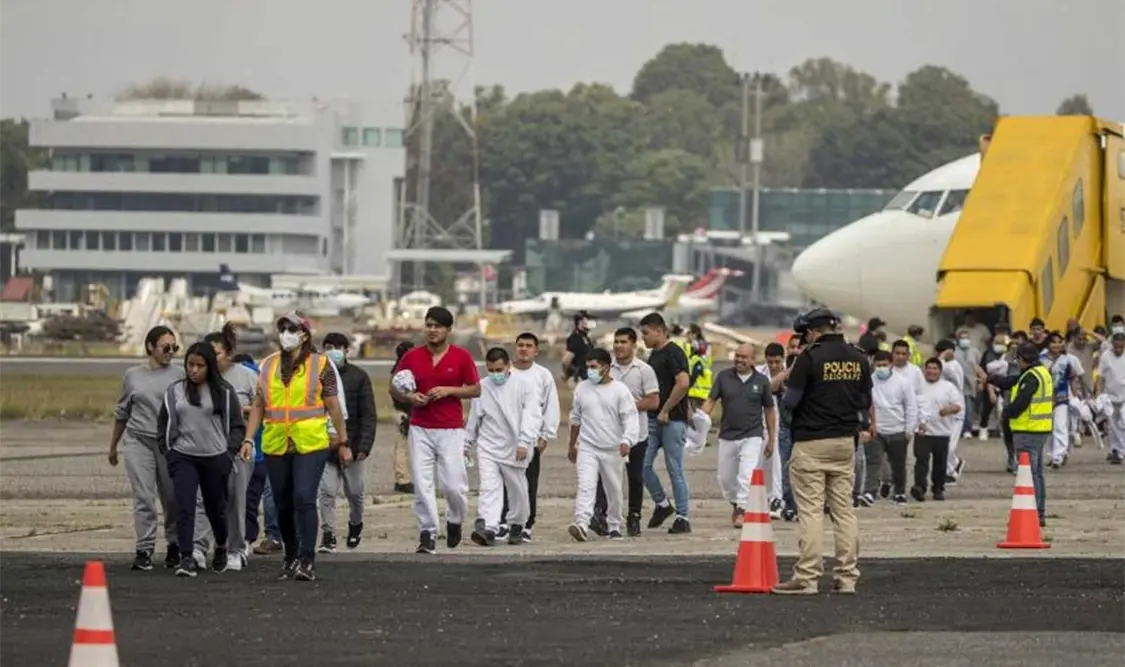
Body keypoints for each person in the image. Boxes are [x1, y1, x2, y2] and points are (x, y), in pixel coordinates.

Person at [243, 311, 350, 582]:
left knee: (303, 496)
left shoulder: (320, 365)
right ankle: (290, 557)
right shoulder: (267, 365)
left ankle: (307, 558)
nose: (286, 334)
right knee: (282, 502)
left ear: (304, 334)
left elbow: (334, 406)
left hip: (310, 442)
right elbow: (259, 405)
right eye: (282, 328)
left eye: (292, 328)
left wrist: (343, 441)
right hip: (277, 442)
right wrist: (248, 438)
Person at [772, 308, 870, 596]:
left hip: (812, 442)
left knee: (811, 512)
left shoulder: (809, 357)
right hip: (845, 443)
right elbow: (865, 401)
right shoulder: (857, 357)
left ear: (812, 332)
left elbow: (790, 402)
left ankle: (807, 577)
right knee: (844, 512)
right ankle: (847, 577)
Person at [389, 306, 480, 555]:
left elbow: (475, 389)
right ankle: (427, 532)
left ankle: (454, 519)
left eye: (437, 326)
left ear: (448, 330)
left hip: (451, 429)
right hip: (420, 427)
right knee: (422, 483)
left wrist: (449, 390)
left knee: (454, 485)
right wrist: (410, 396)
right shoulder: (412, 357)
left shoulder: (461, 357)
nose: (432, 330)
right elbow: (395, 387)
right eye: (429, 325)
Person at [158, 342, 249, 577]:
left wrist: (229, 454)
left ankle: (220, 544)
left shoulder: (225, 392)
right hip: (183, 456)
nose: (194, 370)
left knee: (215, 508)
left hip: (215, 457)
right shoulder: (175, 390)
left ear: (210, 367)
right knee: (185, 505)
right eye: (190, 365)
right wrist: (169, 451)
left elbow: (238, 426)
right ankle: (186, 558)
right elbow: (164, 423)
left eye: (200, 366)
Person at [109, 325, 185, 571]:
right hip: (138, 440)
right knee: (144, 498)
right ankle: (144, 549)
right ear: (151, 346)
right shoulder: (133, 375)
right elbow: (122, 412)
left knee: (172, 498)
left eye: (174, 347)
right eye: (165, 346)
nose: (170, 351)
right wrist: (112, 446)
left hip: (169, 444)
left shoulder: (181, 374)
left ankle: (174, 544)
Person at [195, 324, 259, 571]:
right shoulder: (199, 378)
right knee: (201, 499)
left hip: (236, 448)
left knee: (234, 499)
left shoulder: (246, 376)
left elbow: (263, 407)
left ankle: (236, 549)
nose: (212, 359)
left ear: (228, 352)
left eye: (217, 353)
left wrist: (243, 419)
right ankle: (198, 547)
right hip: (204, 448)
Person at [466, 347, 543, 546]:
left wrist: (525, 441)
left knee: (517, 488)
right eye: (491, 370)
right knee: (489, 486)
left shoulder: (525, 386)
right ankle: (488, 526)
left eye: (499, 369)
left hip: (516, 447)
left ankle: (517, 524)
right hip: (488, 446)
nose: (495, 374)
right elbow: (475, 418)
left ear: (508, 365)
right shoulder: (482, 387)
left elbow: (532, 415)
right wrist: (466, 443)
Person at [591, 327, 659, 537]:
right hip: (609, 434)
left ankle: (634, 516)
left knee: (635, 477)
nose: (619, 346)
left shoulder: (644, 370)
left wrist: (625, 408)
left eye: (623, 342)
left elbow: (653, 400)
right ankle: (601, 514)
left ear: (633, 345)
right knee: (606, 476)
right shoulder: (607, 368)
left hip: (637, 433)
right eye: (616, 342)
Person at [566, 348, 639, 541]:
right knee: (586, 485)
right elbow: (575, 419)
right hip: (588, 447)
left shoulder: (620, 391)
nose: (589, 371)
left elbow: (630, 418)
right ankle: (582, 523)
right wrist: (572, 444)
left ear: (606, 368)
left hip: (613, 448)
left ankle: (614, 525)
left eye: (593, 367)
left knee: (614, 489)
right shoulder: (582, 388)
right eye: (587, 366)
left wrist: (627, 440)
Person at [702, 343, 776, 528]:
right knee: (725, 478)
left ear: (752, 360)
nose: (739, 360)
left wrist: (771, 438)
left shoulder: (761, 381)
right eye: (737, 356)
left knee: (746, 474)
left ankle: (743, 510)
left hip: (752, 435)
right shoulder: (723, 377)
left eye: (744, 357)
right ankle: (736, 503)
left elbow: (769, 410)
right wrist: (701, 419)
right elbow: (711, 401)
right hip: (727, 435)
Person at [318, 333, 377, 552]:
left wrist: (363, 446)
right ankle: (328, 535)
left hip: (353, 446)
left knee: (355, 491)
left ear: (346, 350)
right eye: (328, 346)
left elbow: (368, 414)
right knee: (326, 492)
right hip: (325, 446)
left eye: (337, 347)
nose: (332, 351)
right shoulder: (317, 376)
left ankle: (355, 523)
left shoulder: (359, 377)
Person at [499, 332, 560, 542]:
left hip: (530, 438)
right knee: (504, 482)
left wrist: (546, 434)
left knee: (528, 482)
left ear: (536, 350)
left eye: (528, 346)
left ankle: (527, 523)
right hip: (504, 437)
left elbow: (551, 406)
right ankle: (504, 521)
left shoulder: (542, 375)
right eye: (520, 345)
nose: (524, 349)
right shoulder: (506, 373)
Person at [638, 312, 693, 534]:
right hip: (653, 420)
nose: (643, 338)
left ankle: (683, 516)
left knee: (674, 468)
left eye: (646, 333)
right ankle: (662, 504)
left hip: (672, 420)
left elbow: (683, 383)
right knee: (642, 465)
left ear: (659, 331)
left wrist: (666, 409)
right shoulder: (655, 355)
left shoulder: (674, 353)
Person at [993, 342, 1053, 526]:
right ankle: (1039, 512)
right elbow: (1012, 381)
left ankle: (1033, 513)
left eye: (1017, 358)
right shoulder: (1039, 372)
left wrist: (1006, 412)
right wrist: (991, 379)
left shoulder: (1031, 377)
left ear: (1022, 359)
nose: (1016, 362)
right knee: (1037, 473)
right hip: (1039, 429)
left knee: (1029, 474)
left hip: (1028, 429)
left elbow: (1021, 403)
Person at [233, 352, 281, 556]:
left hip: (253, 448)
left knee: (242, 497)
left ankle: (246, 538)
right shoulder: (261, 374)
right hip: (263, 448)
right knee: (257, 497)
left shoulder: (251, 377)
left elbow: (262, 407)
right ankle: (257, 537)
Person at [860, 350, 917, 507]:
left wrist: (909, 429)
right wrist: (867, 426)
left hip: (898, 430)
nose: (881, 368)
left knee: (898, 464)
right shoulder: (869, 382)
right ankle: (870, 492)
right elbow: (865, 405)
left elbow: (911, 406)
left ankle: (899, 493)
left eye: (884, 365)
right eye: (878, 365)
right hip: (876, 430)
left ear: (891, 365)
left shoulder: (903, 382)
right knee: (873, 462)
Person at [911, 358, 963, 502]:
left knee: (940, 463)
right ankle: (920, 487)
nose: (931, 371)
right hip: (922, 431)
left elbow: (958, 406)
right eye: (929, 368)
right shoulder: (918, 386)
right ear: (924, 370)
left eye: (935, 368)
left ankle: (938, 488)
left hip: (942, 432)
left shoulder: (948, 387)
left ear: (940, 371)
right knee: (921, 460)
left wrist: (949, 409)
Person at [1040, 331, 1085, 468]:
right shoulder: (1040, 359)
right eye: (1054, 342)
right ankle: (1050, 454)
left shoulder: (1066, 360)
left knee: (1060, 426)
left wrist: (1076, 393)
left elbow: (1072, 377)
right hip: (1044, 398)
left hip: (1062, 397)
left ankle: (1058, 457)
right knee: (1047, 429)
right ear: (1048, 343)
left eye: (1059, 342)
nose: (1057, 345)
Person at [388, 341, 415, 494]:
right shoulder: (401, 372)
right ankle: (402, 480)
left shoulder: (400, 369)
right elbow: (398, 394)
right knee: (402, 447)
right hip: (404, 413)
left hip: (406, 412)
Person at [1096, 333, 1125, 465]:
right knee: (1112, 426)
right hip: (1110, 395)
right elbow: (1100, 376)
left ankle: (1121, 450)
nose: (1118, 350)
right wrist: (1098, 394)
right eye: (1116, 347)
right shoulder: (1106, 356)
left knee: (1123, 423)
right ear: (1112, 344)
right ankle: (1116, 450)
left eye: (1121, 347)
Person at [562, 311, 595, 385]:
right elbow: (566, 360)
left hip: (588, 377)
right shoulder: (575, 338)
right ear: (580, 322)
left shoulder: (586, 337)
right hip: (579, 378)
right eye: (588, 319)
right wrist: (568, 374)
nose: (591, 322)